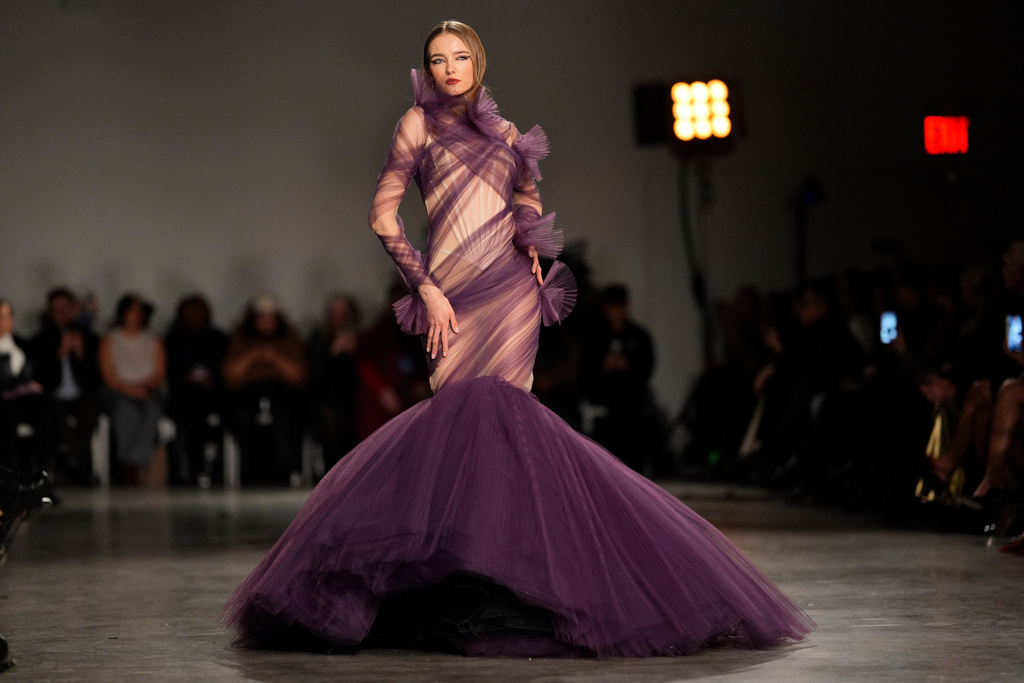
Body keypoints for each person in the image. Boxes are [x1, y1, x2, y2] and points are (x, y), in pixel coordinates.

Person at [222, 20, 814, 657]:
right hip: (449, 294)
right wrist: (423, 287)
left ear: (479, 61)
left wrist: (530, 244)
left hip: (510, 293)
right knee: (457, 420)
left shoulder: (507, 134)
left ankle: (510, 580)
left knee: (509, 425)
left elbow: (527, 196)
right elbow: (382, 214)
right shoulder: (416, 125)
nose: (450, 68)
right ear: (427, 68)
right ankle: (459, 574)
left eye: (460, 57)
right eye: (437, 59)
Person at [222, 294, 307, 486]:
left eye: (270, 318)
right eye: (261, 318)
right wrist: (251, 357)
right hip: (248, 395)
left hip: (283, 394)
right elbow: (230, 378)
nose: (266, 323)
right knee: (242, 415)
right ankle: (248, 471)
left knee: (286, 414)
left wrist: (275, 359)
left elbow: (299, 377)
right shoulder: (242, 338)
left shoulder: (289, 338)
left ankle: (286, 471)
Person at [29, 287, 102, 486]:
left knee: (89, 414)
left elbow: (96, 378)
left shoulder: (89, 338)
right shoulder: (41, 340)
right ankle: (78, 471)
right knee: (57, 419)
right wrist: (59, 353)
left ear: (73, 309)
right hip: (54, 396)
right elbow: (39, 378)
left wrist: (80, 355)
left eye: (65, 308)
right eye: (56, 309)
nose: (61, 313)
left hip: (82, 395)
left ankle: (75, 469)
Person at [98, 294, 167, 485]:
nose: (135, 315)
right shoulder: (110, 339)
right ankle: (132, 465)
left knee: (152, 410)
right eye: (132, 311)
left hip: (148, 390)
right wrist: (128, 389)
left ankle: (130, 463)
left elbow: (159, 373)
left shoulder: (154, 340)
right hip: (119, 390)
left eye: (139, 311)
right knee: (126, 412)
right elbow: (108, 374)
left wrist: (144, 388)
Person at [164, 294, 229, 486]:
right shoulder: (173, 339)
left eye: (199, 311)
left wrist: (211, 381)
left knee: (209, 417)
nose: (195, 316)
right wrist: (185, 379)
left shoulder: (218, 338)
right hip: (183, 396)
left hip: (213, 395)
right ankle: (187, 472)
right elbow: (169, 373)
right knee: (190, 414)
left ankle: (210, 470)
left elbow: (224, 371)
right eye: (190, 312)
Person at [307, 294, 361, 471]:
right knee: (329, 413)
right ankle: (334, 470)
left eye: (343, 313)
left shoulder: (364, 338)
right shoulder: (318, 340)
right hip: (327, 397)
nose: (338, 319)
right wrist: (332, 352)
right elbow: (314, 374)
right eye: (334, 313)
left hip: (358, 394)